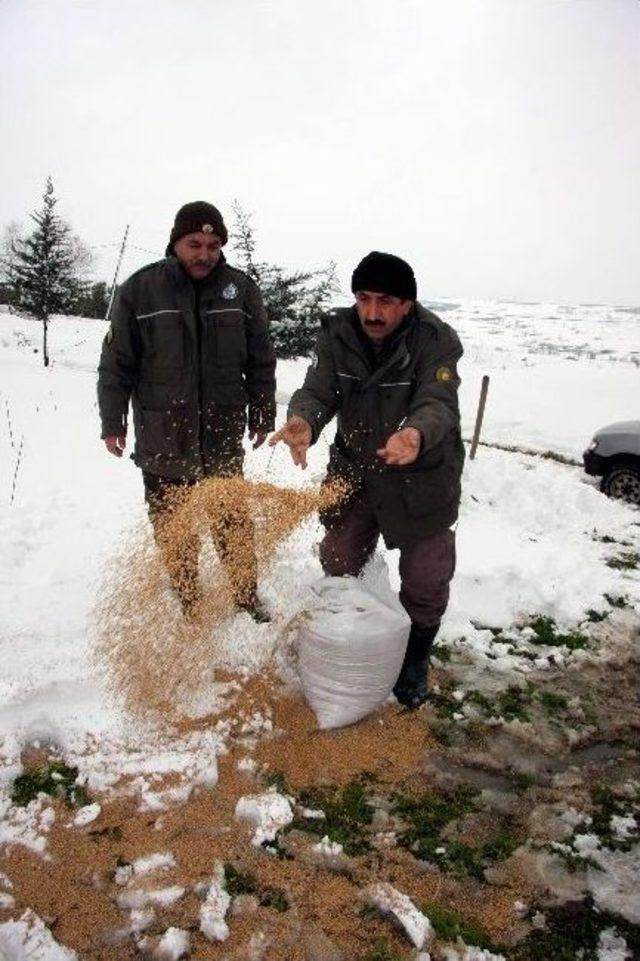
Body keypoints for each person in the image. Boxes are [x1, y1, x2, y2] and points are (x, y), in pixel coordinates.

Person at [270, 251, 464, 706]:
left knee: (426, 577)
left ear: (407, 304)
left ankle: (415, 656)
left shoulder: (436, 340)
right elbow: (319, 389)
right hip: (356, 471)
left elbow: (438, 401)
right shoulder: (339, 333)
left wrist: (415, 433)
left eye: (385, 301)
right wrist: (305, 420)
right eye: (363, 298)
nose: (372, 312)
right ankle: (354, 636)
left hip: (421, 475)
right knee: (338, 554)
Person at [97, 201, 276, 621]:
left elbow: (261, 358)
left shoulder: (241, 290)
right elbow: (116, 363)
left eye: (213, 245)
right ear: (175, 242)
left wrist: (263, 410)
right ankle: (189, 600)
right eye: (194, 243)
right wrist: (112, 420)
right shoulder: (140, 290)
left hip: (221, 430)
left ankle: (246, 596)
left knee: (231, 521)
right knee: (173, 527)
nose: (204, 254)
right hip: (164, 432)